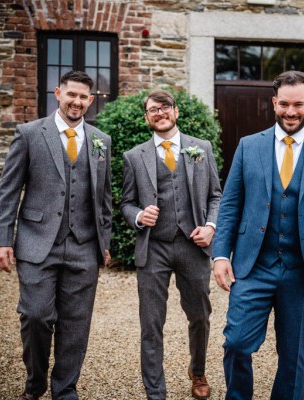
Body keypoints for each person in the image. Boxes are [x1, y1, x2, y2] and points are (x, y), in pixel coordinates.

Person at [212, 70, 304, 400]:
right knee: (236, 342)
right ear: (273, 103)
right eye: (283, 104)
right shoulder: (249, 146)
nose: (290, 112)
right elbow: (230, 203)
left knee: (293, 356)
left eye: (297, 105)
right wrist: (221, 255)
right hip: (253, 265)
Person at [0, 70, 112, 400]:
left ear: (91, 100)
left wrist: (105, 242)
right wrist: (2, 239)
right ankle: (35, 383)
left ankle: (65, 390)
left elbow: (103, 197)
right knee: (36, 315)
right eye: (71, 94)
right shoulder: (30, 134)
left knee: (76, 324)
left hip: (84, 246)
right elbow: (8, 191)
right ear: (58, 93)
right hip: (36, 242)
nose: (76, 102)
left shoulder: (102, 140)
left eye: (83, 97)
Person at [120, 89, 221, 400]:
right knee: (151, 321)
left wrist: (211, 227)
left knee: (200, 315)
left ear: (176, 112)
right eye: (153, 110)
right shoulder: (134, 156)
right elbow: (126, 203)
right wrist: (139, 215)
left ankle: (198, 370)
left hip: (193, 246)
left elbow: (216, 196)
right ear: (147, 117)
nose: (160, 113)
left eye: (165, 108)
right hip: (154, 248)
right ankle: (155, 389)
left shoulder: (201, 148)